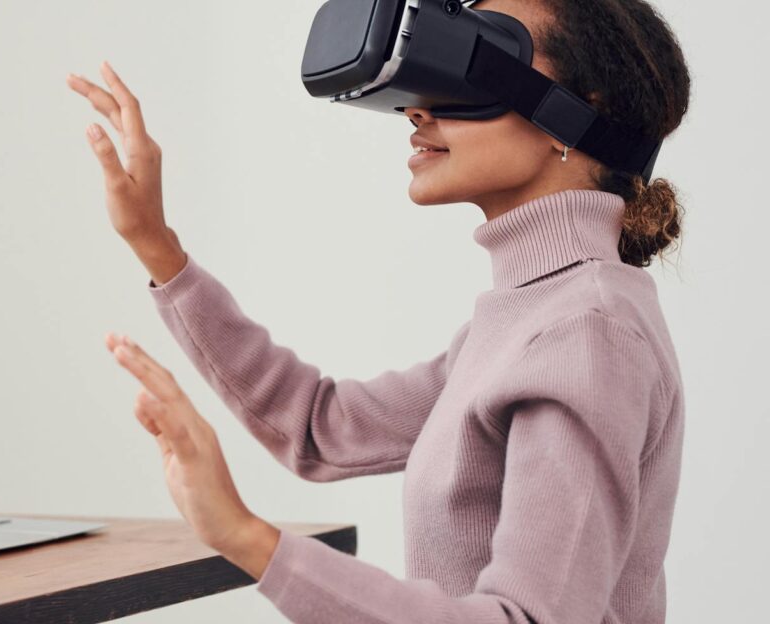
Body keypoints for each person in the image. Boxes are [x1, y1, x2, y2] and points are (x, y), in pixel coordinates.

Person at [66, 0, 689, 621]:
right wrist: (157, 244)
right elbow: (321, 429)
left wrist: (244, 536)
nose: (416, 107)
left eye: (477, 63)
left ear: (579, 112)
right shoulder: (532, 318)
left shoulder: (588, 333)